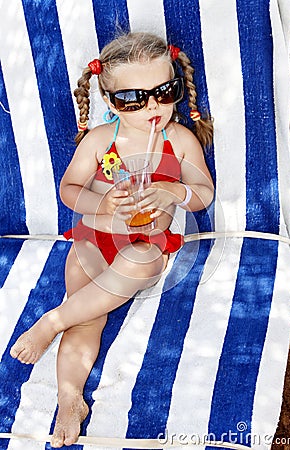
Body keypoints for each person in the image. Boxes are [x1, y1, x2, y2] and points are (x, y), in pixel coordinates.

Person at [10, 32, 214, 447]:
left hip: (146, 246)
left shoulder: (180, 140)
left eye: (164, 91)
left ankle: (52, 320)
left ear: (176, 86)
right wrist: (102, 206)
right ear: (109, 102)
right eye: (134, 99)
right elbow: (69, 189)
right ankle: (70, 397)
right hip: (92, 239)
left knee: (137, 264)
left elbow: (203, 194)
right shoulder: (101, 141)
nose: (153, 106)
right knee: (88, 315)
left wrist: (173, 191)